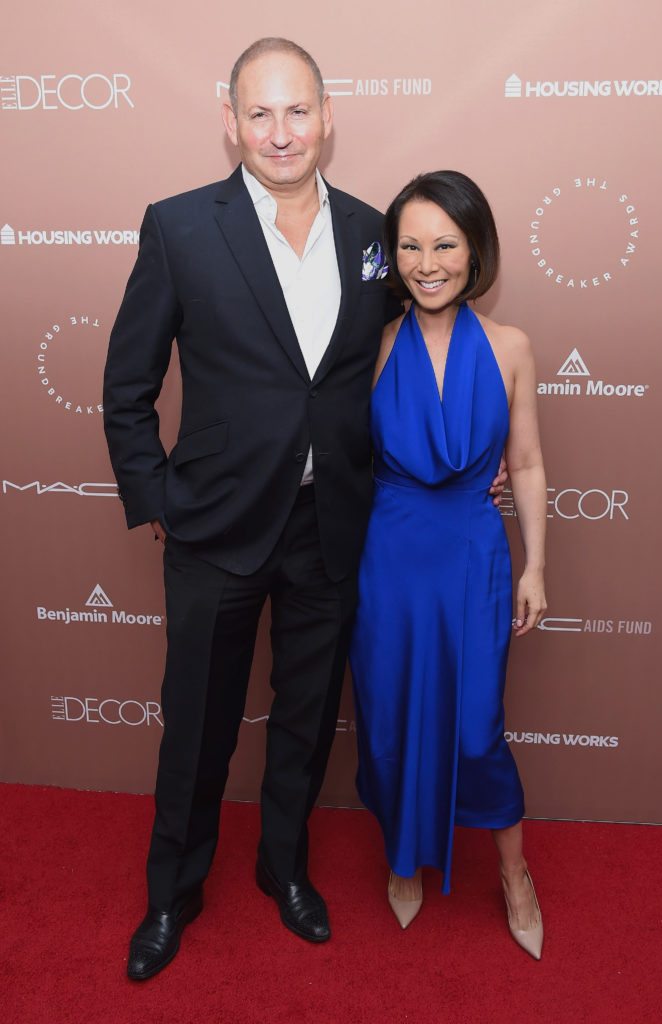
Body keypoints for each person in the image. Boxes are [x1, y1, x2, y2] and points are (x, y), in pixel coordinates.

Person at [103, 40, 507, 981]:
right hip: (213, 527)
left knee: (307, 718)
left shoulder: (376, 234)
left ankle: (284, 869)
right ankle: (172, 893)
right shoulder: (178, 228)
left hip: (334, 526)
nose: (279, 133)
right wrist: (155, 494)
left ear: (327, 119)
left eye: (296, 113)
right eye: (259, 114)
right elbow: (126, 385)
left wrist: (469, 463)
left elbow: (420, 352)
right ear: (231, 121)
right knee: (196, 723)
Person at [349, 170, 547, 959]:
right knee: (391, 718)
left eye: (445, 244)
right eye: (409, 245)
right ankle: (406, 862)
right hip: (389, 558)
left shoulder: (511, 347)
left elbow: (526, 463)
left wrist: (534, 567)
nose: (427, 262)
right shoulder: (375, 342)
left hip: (472, 555)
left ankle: (514, 874)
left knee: (474, 731)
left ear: (474, 250)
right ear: (390, 256)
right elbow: (337, 451)